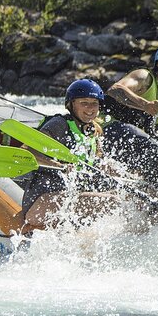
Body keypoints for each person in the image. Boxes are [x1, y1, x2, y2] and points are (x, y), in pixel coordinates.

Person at [22, 79, 117, 228]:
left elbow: (99, 161)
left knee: (126, 197)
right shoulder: (59, 125)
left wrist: (115, 171)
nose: (90, 108)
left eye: (94, 103)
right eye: (84, 103)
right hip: (42, 202)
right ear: (71, 104)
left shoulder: (95, 130)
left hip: (70, 199)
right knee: (111, 201)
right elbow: (26, 150)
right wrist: (56, 164)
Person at [101, 43, 158, 176]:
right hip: (109, 129)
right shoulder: (144, 76)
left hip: (136, 141)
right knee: (153, 149)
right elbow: (115, 90)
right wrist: (145, 105)